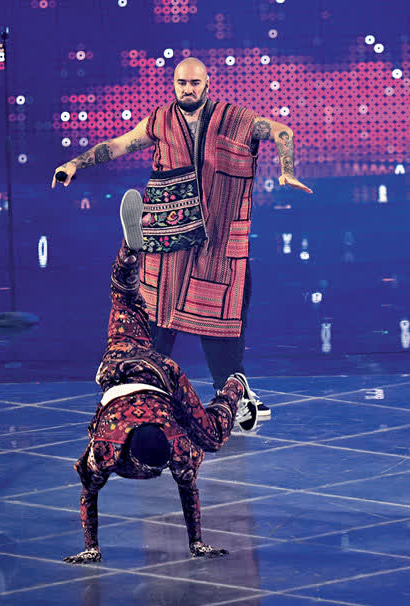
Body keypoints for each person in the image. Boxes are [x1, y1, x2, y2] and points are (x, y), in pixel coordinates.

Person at [52, 57, 313, 412]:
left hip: (219, 238)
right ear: (174, 84)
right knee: (157, 316)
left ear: (207, 83)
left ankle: (233, 397)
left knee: (224, 317)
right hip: (169, 235)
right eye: (181, 83)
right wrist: (74, 164)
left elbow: (282, 132)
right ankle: (144, 392)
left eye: (194, 83)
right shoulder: (160, 120)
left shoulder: (233, 118)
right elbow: (117, 145)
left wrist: (287, 170)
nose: (187, 89)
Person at [63, 190, 260, 564]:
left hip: (155, 375)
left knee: (212, 436)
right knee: (124, 301)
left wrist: (92, 548)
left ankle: (234, 383)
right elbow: (187, 492)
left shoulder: (112, 449)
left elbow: (90, 493)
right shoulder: (140, 447)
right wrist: (196, 542)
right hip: (129, 364)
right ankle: (235, 383)